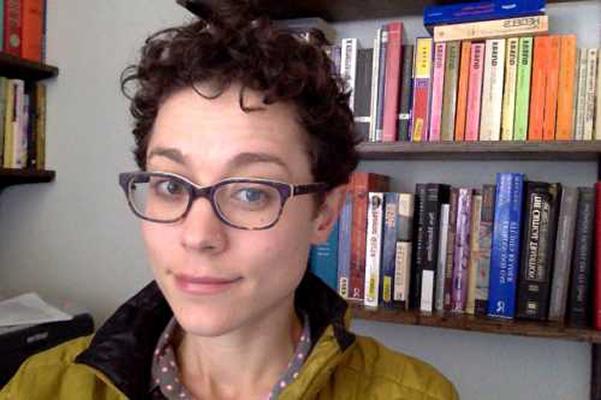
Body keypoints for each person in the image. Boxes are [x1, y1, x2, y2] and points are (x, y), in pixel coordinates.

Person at [1, 2, 458, 399]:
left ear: (325, 214)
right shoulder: (41, 387)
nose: (199, 237)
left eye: (250, 192)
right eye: (172, 185)